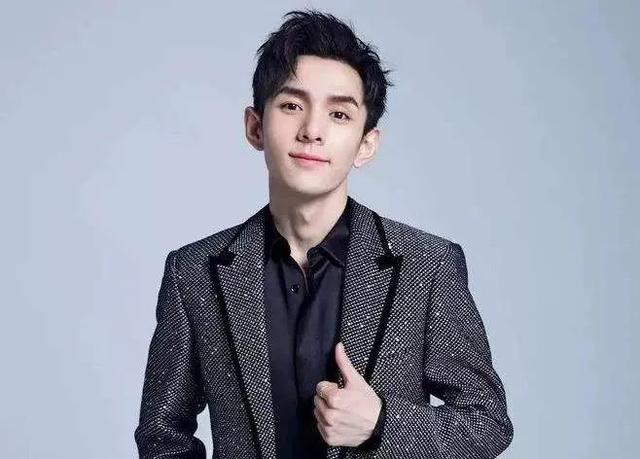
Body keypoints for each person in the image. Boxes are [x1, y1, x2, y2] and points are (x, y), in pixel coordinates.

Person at [134, 9, 514, 459]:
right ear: (255, 127)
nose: (312, 131)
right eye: (292, 106)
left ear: (366, 145)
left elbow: (487, 424)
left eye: (339, 114)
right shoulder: (194, 271)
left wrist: (380, 424)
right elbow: (162, 434)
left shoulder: (426, 265)